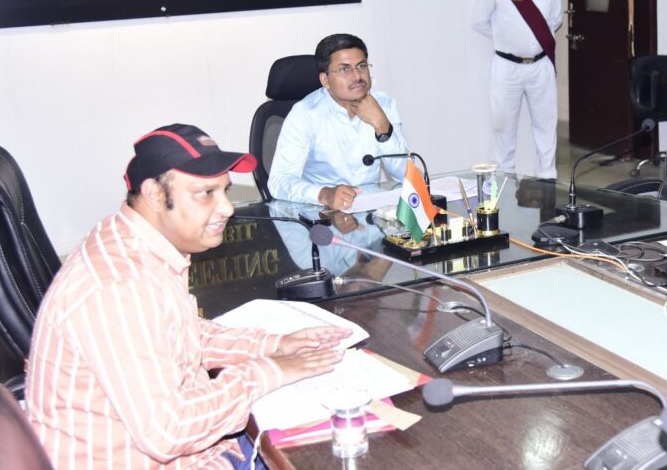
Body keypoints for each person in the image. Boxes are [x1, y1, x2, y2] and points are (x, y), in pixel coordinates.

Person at [26, 124, 351, 469]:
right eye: (206, 193)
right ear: (154, 194)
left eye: (224, 191)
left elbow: (180, 334)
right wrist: (265, 372)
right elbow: (169, 431)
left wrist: (274, 345)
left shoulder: (133, 243)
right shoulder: (120, 287)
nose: (227, 208)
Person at [268, 33, 409, 210]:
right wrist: (324, 194)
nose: (357, 76)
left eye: (362, 66)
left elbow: (407, 177)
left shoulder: (384, 104)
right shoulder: (305, 113)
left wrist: (382, 126)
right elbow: (279, 181)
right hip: (320, 214)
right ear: (325, 80)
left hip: (370, 210)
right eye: (344, 69)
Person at [472, 0, 563, 179]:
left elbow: (555, 19)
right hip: (507, 67)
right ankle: (505, 181)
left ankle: (547, 177)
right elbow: (480, 22)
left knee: (546, 126)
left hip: (540, 66)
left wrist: (531, 40)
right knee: (503, 127)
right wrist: (509, 39)